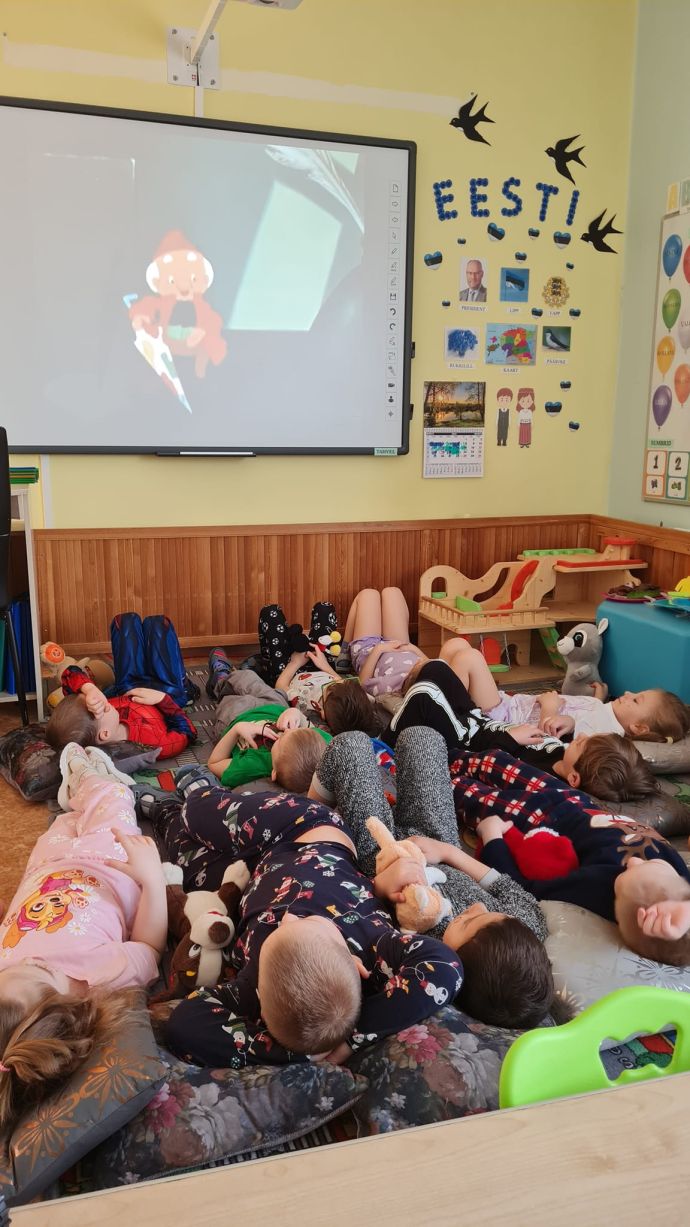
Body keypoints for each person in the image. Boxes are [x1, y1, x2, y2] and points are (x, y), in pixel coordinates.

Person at [147, 757, 462, 1068]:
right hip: (304, 830)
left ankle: (164, 810)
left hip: (250, 876)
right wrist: (353, 1039)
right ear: (355, 965)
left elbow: (184, 1026)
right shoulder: (374, 948)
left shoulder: (254, 988)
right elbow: (446, 966)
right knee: (200, 814)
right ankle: (198, 786)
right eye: (310, 920)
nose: (288, 916)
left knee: (186, 859)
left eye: (281, 929)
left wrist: (298, 1054)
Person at [311, 728, 568, 1029]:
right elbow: (504, 886)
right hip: (437, 841)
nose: (477, 908)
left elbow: (358, 917)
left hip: (378, 856)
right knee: (423, 737)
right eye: (490, 913)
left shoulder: (421, 954)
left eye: (469, 922)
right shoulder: (523, 928)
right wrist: (447, 852)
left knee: (350, 745)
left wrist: (380, 887)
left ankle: (310, 806)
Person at [0, 743, 167, 1134]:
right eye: (39, 969)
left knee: (67, 819)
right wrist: (152, 879)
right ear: (64, 1000)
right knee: (114, 798)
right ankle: (88, 772)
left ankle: (79, 789)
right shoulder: (96, 977)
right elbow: (149, 948)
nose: (29, 959)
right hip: (110, 866)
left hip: (48, 864)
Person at [451, 745, 690, 966]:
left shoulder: (597, 887)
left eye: (630, 869)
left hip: (536, 818)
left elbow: (521, 889)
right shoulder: (678, 883)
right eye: (654, 863)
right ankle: (447, 749)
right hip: (575, 800)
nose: (634, 861)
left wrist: (492, 838)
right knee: (494, 759)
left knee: (461, 790)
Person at [388, 658, 659, 803]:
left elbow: (490, 766)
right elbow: (560, 741)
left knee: (425, 695)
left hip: (467, 743)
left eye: (581, 744)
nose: (582, 737)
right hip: (481, 724)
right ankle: (411, 716)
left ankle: (387, 744)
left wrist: (509, 738)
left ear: (574, 778)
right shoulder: (565, 752)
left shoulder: (539, 775)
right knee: (437, 668)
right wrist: (568, 725)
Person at [440, 637, 690, 743]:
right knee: (456, 644)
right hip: (508, 704)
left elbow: (550, 742)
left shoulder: (605, 734)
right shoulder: (603, 712)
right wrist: (600, 699)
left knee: (469, 657)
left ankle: (442, 714)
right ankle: (433, 695)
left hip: (500, 717)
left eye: (636, 701)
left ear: (638, 728)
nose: (627, 694)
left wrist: (549, 709)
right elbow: (584, 712)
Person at [45, 612, 198, 759]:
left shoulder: (96, 718)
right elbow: (188, 733)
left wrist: (89, 689)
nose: (103, 701)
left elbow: (70, 673)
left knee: (124, 621)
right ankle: (185, 685)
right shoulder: (153, 745)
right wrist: (163, 699)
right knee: (158, 625)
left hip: (128, 687)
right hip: (166, 691)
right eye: (103, 707)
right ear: (105, 734)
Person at [205, 648, 330, 792]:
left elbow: (214, 764)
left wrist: (237, 729)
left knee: (229, 695)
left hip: (237, 716)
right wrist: (295, 713)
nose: (284, 731)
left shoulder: (253, 766)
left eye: (280, 740)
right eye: (295, 731)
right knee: (249, 677)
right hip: (275, 706)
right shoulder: (321, 747)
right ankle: (238, 674)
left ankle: (220, 679)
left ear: (274, 773)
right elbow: (316, 732)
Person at [344, 587, 427, 698]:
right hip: (401, 645)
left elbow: (363, 683)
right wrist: (412, 648)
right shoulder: (427, 678)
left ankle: (344, 651)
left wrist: (379, 649)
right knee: (392, 592)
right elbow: (433, 664)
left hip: (369, 651)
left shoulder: (389, 687)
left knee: (368, 594)